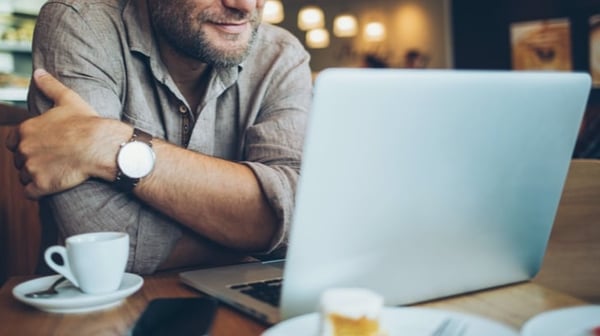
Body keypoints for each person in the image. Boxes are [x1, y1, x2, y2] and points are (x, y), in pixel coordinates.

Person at [5, 0, 313, 274]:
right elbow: (99, 239)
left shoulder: (282, 57)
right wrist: (256, 232)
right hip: (97, 312)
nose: (245, 5)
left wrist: (111, 143)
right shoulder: (79, 23)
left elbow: (302, 218)